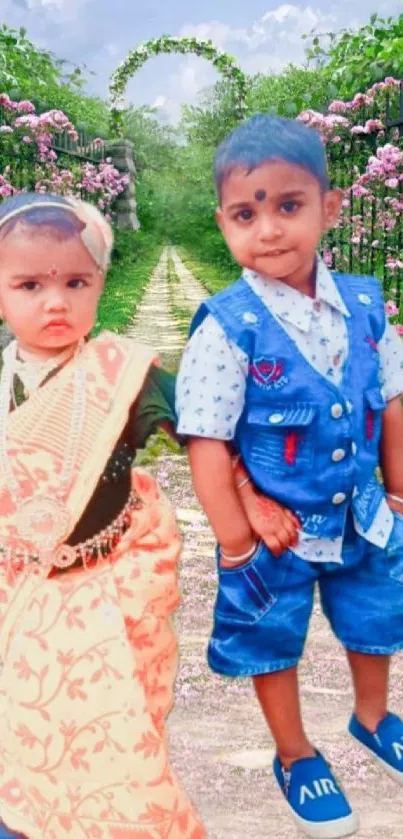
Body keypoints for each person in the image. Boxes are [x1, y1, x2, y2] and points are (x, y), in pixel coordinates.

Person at [176, 114, 403, 839]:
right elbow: (206, 442)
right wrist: (237, 539)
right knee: (272, 636)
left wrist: (396, 492)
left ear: (329, 207)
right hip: (273, 534)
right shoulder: (227, 326)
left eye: (287, 205)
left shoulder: (366, 306)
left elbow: (391, 402)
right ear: (223, 223)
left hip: (363, 512)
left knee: (376, 616)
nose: (268, 229)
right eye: (246, 213)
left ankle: (372, 714)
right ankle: (295, 753)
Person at [0, 192, 210, 839]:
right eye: (29, 284)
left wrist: (251, 497)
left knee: (106, 732)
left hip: (105, 590)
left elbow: (203, 430)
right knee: (19, 729)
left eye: (75, 282)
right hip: (17, 590)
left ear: (99, 285)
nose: (55, 301)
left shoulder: (121, 372)